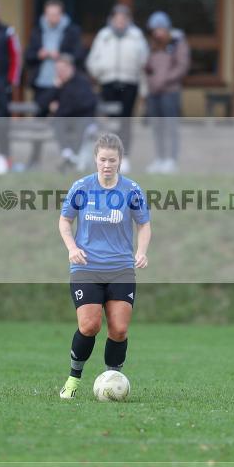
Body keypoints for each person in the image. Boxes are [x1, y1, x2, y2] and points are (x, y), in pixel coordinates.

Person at [58, 132, 151, 399]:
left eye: (112, 160)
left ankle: (113, 381)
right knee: (89, 326)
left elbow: (143, 224)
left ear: (120, 161)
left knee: (119, 330)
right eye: (102, 160)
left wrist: (141, 251)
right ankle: (73, 380)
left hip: (121, 268)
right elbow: (65, 221)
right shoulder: (81, 187)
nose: (107, 165)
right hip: (86, 267)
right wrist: (72, 248)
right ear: (95, 160)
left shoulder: (131, 190)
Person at [86, 4, 149, 173]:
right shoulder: (103, 36)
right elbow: (92, 60)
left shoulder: (136, 36)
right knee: (109, 123)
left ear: (128, 20)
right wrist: (100, 71)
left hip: (130, 83)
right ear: (111, 19)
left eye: (124, 19)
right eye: (117, 18)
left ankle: (124, 157)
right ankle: (108, 157)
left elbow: (144, 59)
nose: (120, 22)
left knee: (125, 122)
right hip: (108, 83)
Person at [144, 11, 190, 174]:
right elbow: (147, 66)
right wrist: (151, 80)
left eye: (160, 29)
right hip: (154, 92)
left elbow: (181, 67)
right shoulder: (152, 45)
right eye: (154, 29)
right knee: (157, 127)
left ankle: (171, 160)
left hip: (170, 91)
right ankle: (159, 158)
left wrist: (164, 80)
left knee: (171, 126)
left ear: (167, 28)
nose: (157, 32)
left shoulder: (178, 43)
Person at [39, 53, 98, 170]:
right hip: (64, 121)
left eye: (62, 69)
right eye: (57, 70)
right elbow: (41, 103)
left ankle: (74, 158)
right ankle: (68, 154)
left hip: (81, 120)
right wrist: (55, 88)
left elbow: (82, 105)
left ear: (71, 68)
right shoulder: (58, 84)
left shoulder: (81, 82)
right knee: (57, 123)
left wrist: (59, 108)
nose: (60, 72)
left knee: (80, 125)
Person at [25, 0, 85, 112]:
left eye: (55, 14)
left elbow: (79, 55)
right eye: (49, 14)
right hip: (41, 83)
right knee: (40, 116)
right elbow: (28, 56)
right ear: (45, 14)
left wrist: (61, 56)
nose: (52, 17)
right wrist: (39, 55)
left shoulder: (72, 31)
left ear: (61, 15)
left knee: (64, 116)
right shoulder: (37, 31)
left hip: (65, 83)